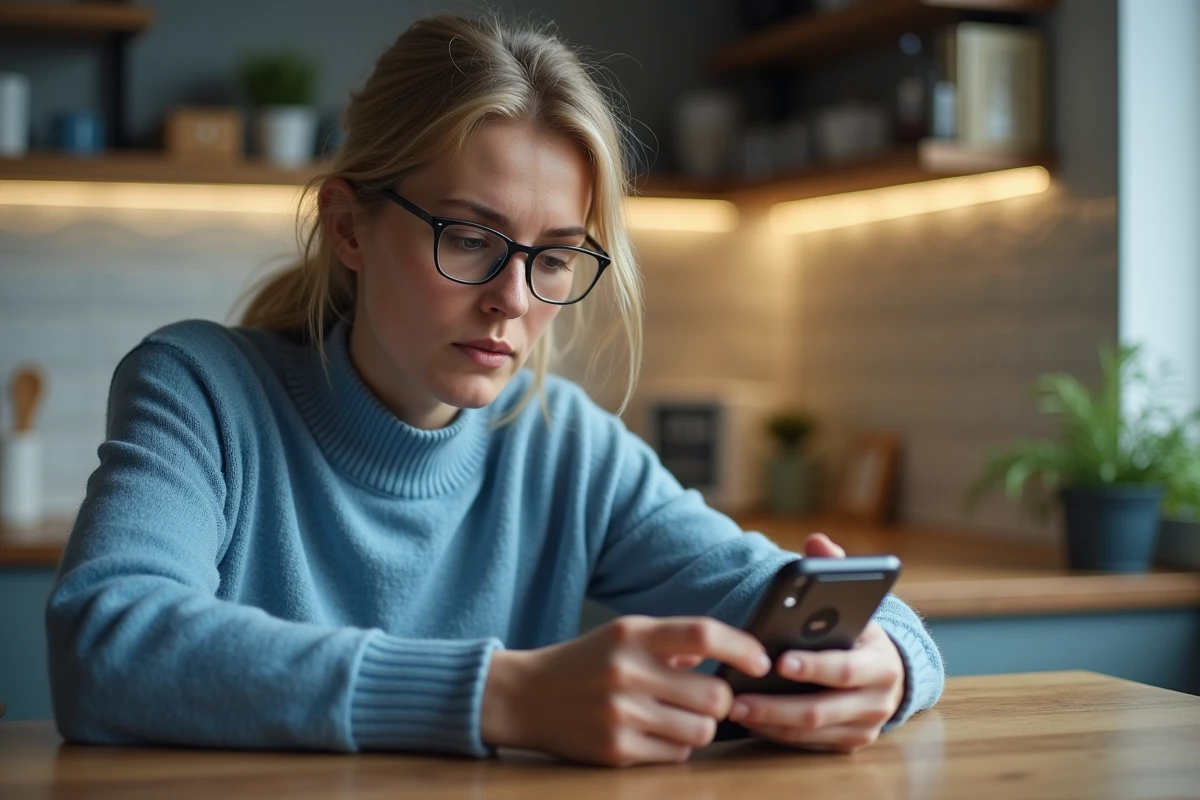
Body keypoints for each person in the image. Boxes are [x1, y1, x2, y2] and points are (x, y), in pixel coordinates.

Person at [45, 13, 943, 768]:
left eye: (553, 257)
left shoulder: (564, 445)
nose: (513, 299)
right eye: (469, 239)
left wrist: (888, 660)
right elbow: (107, 644)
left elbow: (770, 584)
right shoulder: (202, 388)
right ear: (350, 227)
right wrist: (501, 696)